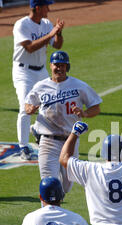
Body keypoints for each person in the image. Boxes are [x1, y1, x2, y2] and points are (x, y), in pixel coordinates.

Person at [25, 50, 102, 194]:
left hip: (70, 141)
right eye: (57, 65)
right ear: (50, 65)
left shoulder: (79, 86)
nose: (59, 68)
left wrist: (84, 113)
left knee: (66, 187)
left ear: (67, 67)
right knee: (49, 185)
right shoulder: (41, 86)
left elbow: (96, 107)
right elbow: (28, 104)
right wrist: (30, 109)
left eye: (63, 65)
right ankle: (49, 213)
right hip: (48, 141)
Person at [12, 0, 65, 160]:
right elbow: (30, 47)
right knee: (25, 107)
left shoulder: (47, 23)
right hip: (24, 72)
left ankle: (36, 129)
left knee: (53, 102)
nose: (48, 9)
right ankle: (23, 146)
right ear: (37, 7)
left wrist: (58, 33)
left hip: (41, 70)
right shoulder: (22, 25)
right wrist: (50, 33)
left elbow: (57, 46)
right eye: (46, 6)